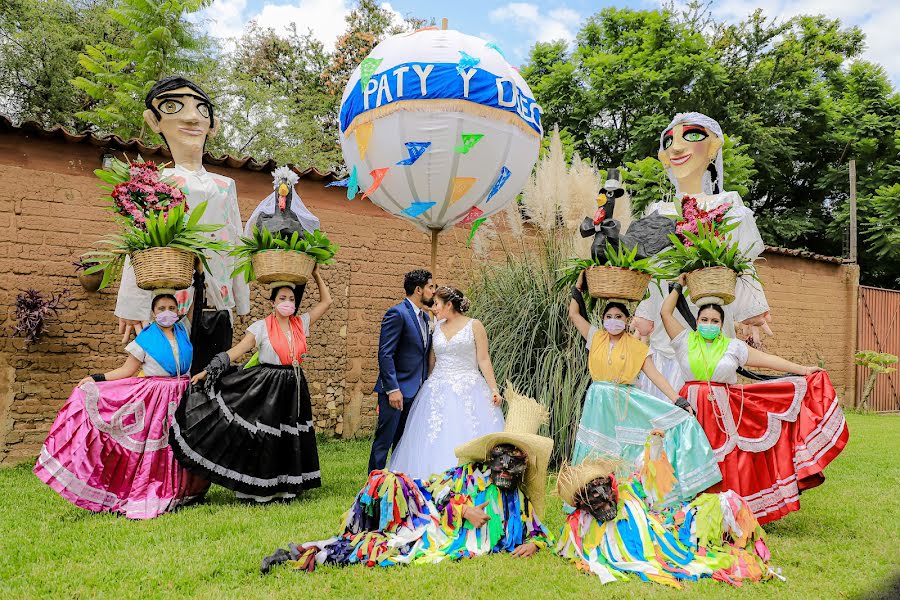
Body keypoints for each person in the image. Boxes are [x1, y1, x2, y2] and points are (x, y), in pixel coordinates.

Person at [260, 385, 554, 573]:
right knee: (385, 481)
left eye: (514, 458)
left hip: (438, 536)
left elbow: (539, 532)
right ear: (490, 455)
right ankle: (332, 542)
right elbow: (435, 487)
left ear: (524, 463)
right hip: (428, 514)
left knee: (392, 546)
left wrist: (534, 545)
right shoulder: (471, 474)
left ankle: (312, 551)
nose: (504, 465)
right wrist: (463, 509)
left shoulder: (520, 503)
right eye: (501, 454)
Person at [661, 279, 849, 523]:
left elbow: (767, 360)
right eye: (704, 320)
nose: (709, 324)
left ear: (722, 324)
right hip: (691, 408)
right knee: (687, 454)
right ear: (697, 322)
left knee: (729, 459)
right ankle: (686, 510)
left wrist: (802, 369)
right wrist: (678, 285)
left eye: (715, 321)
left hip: (723, 410)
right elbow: (665, 312)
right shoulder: (684, 341)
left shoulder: (732, 347)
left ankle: (726, 511)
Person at [114, 75, 250, 373]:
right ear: (154, 120)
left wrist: (241, 299)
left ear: (212, 125)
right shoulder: (157, 183)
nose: (191, 117)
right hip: (169, 297)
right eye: (173, 106)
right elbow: (141, 243)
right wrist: (131, 305)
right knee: (172, 370)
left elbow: (237, 241)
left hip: (217, 296)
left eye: (201, 108)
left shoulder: (224, 185)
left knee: (213, 374)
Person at [632, 112, 771, 401]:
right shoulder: (658, 211)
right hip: (665, 325)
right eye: (669, 141)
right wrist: (644, 314)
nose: (677, 147)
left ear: (713, 147)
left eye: (692, 135)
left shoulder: (730, 206)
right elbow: (649, 272)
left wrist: (753, 314)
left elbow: (742, 263)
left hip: (713, 320)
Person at [34, 291, 208, 519]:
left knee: (181, 443)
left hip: (184, 393)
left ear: (178, 311)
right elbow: (127, 370)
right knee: (159, 448)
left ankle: (184, 491)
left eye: (171, 308)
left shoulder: (183, 330)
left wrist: (198, 275)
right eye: (161, 309)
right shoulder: (144, 340)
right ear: (153, 314)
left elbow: (197, 301)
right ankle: (155, 491)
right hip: (158, 398)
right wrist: (97, 378)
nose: (167, 313)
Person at [170, 267, 332, 502]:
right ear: (273, 303)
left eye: (291, 299)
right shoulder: (261, 327)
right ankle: (258, 488)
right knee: (264, 436)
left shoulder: (300, 324)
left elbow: (326, 302)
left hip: (294, 385)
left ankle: (286, 487)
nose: (287, 302)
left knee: (289, 436)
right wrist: (210, 370)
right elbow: (237, 350)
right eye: (282, 298)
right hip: (267, 386)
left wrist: (315, 275)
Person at [567, 276, 722, 505]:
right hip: (598, 403)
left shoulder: (638, 348)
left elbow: (655, 376)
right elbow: (574, 314)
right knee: (595, 448)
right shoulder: (596, 337)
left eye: (618, 317)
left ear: (628, 320)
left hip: (625, 402)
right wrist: (578, 286)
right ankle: (586, 497)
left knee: (624, 448)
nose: (613, 321)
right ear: (602, 320)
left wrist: (678, 400)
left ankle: (625, 496)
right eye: (608, 317)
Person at [555, 457, 773, 587]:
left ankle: (736, 542)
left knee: (727, 502)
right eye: (593, 495)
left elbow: (648, 476)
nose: (603, 497)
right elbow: (571, 550)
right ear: (581, 504)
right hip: (666, 543)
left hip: (671, 530)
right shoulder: (578, 526)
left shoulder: (629, 492)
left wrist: (655, 445)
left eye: (603, 488)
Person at [388, 286, 504, 479]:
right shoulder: (436, 327)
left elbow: (483, 359)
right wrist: (427, 385)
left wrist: (493, 388)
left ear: (449, 305)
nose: (433, 308)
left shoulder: (474, 325)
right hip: (437, 390)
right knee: (433, 436)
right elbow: (432, 361)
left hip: (469, 388)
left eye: (436, 304)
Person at [367, 269, 437, 473]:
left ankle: (397, 481)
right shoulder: (397, 313)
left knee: (404, 442)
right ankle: (373, 483)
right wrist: (392, 389)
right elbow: (385, 354)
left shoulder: (425, 318)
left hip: (415, 391)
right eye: (431, 287)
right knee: (385, 439)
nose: (434, 291)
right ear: (418, 290)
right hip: (396, 391)